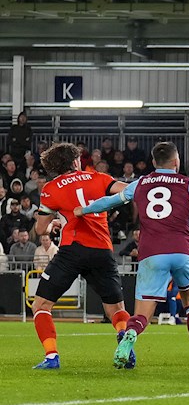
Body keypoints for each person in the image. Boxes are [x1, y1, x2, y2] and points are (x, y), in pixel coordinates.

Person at [76, 142, 189, 371]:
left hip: (152, 252)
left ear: (154, 163)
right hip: (182, 251)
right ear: (177, 162)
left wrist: (83, 210)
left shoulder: (141, 183)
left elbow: (110, 201)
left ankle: (131, 334)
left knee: (143, 313)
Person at [29, 142, 133, 369]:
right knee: (115, 308)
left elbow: (40, 229)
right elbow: (130, 190)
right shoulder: (99, 178)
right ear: (76, 162)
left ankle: (51, 357)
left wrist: (55, 222)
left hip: (72, 250)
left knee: (41, 306)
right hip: (102, 250)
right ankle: (125, 341)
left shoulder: (51, 188)